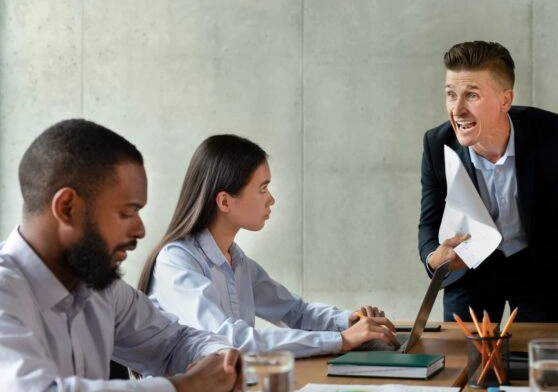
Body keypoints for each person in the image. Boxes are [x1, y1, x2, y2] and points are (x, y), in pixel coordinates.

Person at [0, 120, 242, 392]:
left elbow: (174, 341)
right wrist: (184, 389)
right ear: (67, 208)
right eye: (127, 213)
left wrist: (218, 359)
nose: (141, 231)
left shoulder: (99, 286)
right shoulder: (6, 290)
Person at [139, 135, 398, 356]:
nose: (271, 199)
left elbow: (295, 312)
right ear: (225, 202)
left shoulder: (238, 263)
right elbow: (229, 341)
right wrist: (341, 340)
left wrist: (348, 321)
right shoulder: (176, 262)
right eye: (262, 189)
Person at [419, 41, 558, 325]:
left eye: (471, 95)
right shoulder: (436, 144)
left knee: (541, 361)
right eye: (451, 95)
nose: (457, 109)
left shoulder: (554, 133)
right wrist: (433, 260)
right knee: (465, 363)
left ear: (505, 100)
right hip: (471, 269)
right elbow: (429, 222)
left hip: (538, 264)